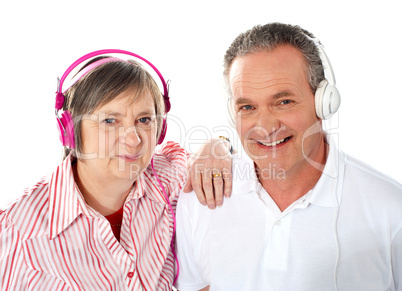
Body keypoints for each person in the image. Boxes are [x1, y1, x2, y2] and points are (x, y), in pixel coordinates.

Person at [175, 22, 402, 290]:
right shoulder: (200, 198)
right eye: (247, 106)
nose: (266, 126)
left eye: (284, 102)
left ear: (324, 101)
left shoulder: (390, 209)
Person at [0, 50, 232, 290]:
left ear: (160, 129)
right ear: (69, 130)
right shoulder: (16, 232)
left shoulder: (170, 176)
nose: (133, 140)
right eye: (110, 121)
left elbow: (213, 159)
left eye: (144, 120)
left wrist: (219, 145)